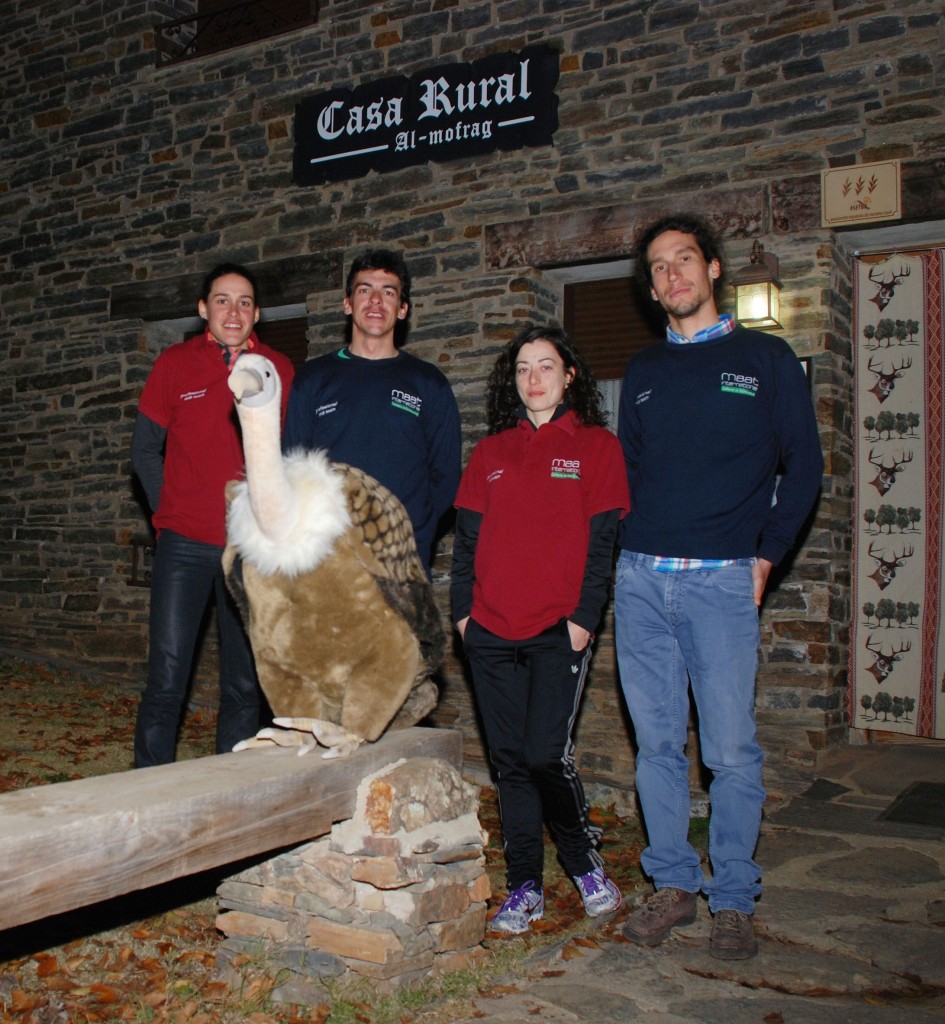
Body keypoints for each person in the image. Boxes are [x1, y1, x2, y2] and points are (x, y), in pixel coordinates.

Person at [615, 214, 823, 959]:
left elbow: (804, 469)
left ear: (711, 269)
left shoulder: (765, 359)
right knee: (656, 746)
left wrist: (766, 557)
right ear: (651, 288)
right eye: (659, 268)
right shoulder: (641, 373)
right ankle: (672, 883)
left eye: (683, 261)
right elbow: (628, 476)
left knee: (731, 751)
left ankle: (732, 896)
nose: (672, 276)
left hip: (722, 582)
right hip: (640, 580)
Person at [452, 325, 629, 935]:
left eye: (546, 366)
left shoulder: (597, 448)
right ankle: (524, 885)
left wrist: (583, 620)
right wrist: (463, 617)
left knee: (546, 754)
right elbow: (466, 545)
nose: (534, 378)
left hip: (559, 629)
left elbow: (603, 544)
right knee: (509, 765)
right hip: (491, 632)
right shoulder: (490, 455)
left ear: (569, 374)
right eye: (523, 368)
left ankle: (582, 863)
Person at [131, 263, 295, 766]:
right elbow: (144, 452)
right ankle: (147, 789)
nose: (234, 310)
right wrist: (170, 513)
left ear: (257, 314)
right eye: (223, 300)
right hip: (185, 545)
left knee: (245, 682)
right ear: (204, 309)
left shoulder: (280, 371)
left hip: (250, 549)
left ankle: (233, 793)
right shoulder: (174, 364)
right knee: (167, 675)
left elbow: (294, 458)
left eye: (244, 302)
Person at [282, 249, 461, 571]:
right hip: (329, 559)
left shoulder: (428, 383)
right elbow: (292, 466)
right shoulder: (312, 379)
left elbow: (446, 477)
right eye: (365, 290)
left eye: (388, 292)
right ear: (348, 303)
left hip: (403, 557)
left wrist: (414, 526)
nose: (376, 300)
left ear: (403, 309)